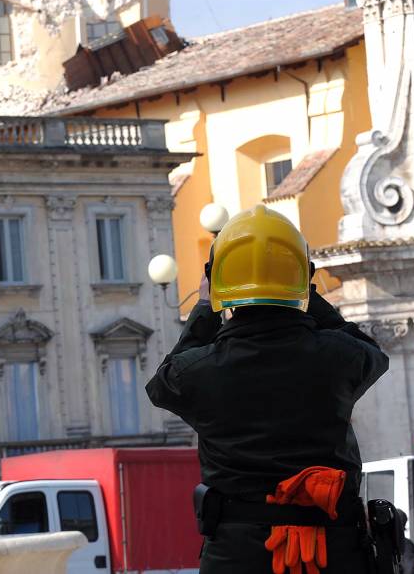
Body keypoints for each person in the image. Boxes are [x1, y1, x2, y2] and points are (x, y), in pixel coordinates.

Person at [147, 205, 389, 574]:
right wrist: (310, 295)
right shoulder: (339, 357)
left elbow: (162, 384)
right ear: (303, 276)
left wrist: (205, 307)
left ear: (217, 281)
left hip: (238, 554)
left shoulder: (199, 371)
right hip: (331, 551)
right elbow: (370, 351)